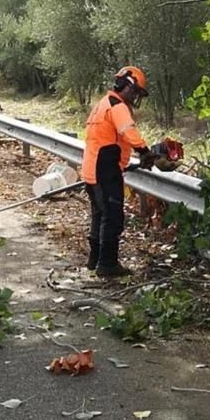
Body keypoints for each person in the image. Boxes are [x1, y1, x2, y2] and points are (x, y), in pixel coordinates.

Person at [81, 66, 156, 277]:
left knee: (100, 215)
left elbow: (111, 138)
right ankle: (107, 265)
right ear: (129, 87)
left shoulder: (102, 104)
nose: (136, 97)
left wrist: (129, 163)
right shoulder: (117, 106)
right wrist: (145, 152)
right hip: (104, 170)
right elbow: (128, 131)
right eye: (137, 92)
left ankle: (94, 261)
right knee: (112, 217)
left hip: (93, 168)